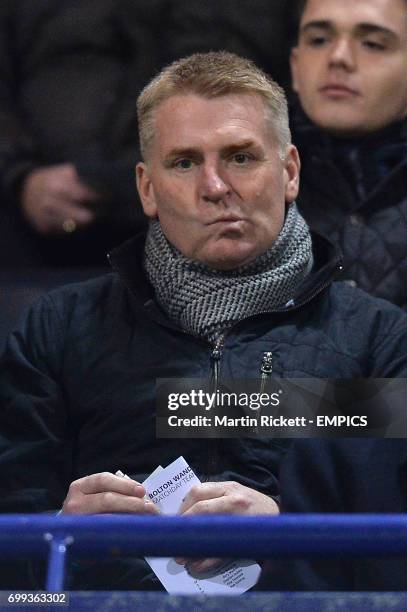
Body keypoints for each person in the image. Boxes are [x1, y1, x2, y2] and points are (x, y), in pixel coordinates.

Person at [1, 51, 407, 589]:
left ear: (289, 173)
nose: (215, 186)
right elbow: (18, 592)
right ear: (147, 188)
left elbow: (391, 559)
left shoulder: (378, 340)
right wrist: (54, 537)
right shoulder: (56, 330)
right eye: (185, 162)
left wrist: (288, 528)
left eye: (240, 157)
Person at [287, 0, 407, 309]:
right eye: (319, 40)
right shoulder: (235, 179)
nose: (338, 57)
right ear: (295, 67)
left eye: (372, 44)